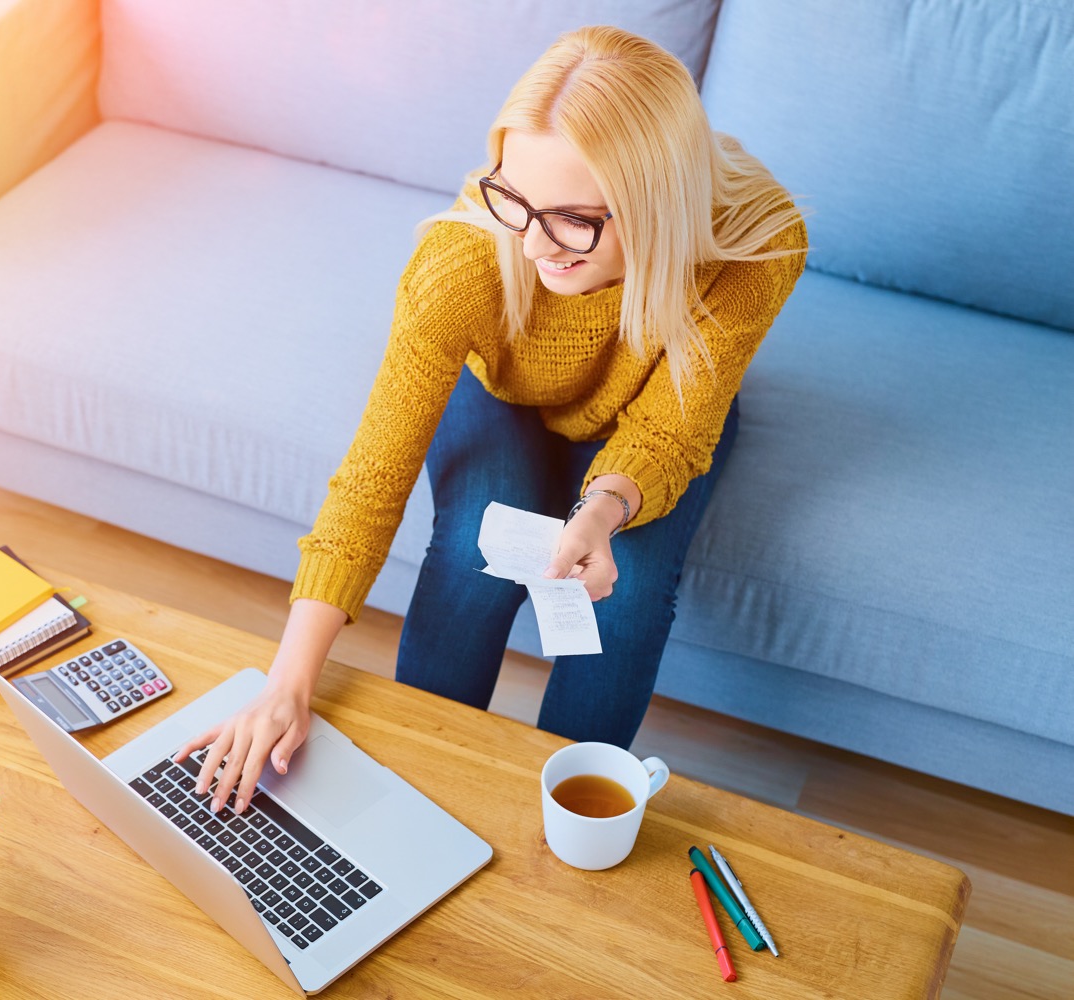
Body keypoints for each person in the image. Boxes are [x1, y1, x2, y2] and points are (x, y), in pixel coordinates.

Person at [178, 25, 807, 815]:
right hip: (504, 390)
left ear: (660, 202)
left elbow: (673, 427)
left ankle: (575, 802)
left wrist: (603, 508)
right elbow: (372, 479)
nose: (536, 244)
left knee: (633, 587)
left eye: (575, 218)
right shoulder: (466, 260)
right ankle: (416, 791)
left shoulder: (756, 244)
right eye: (513, 197)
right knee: (477, 547)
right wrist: (287, 684)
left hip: (658, 414)